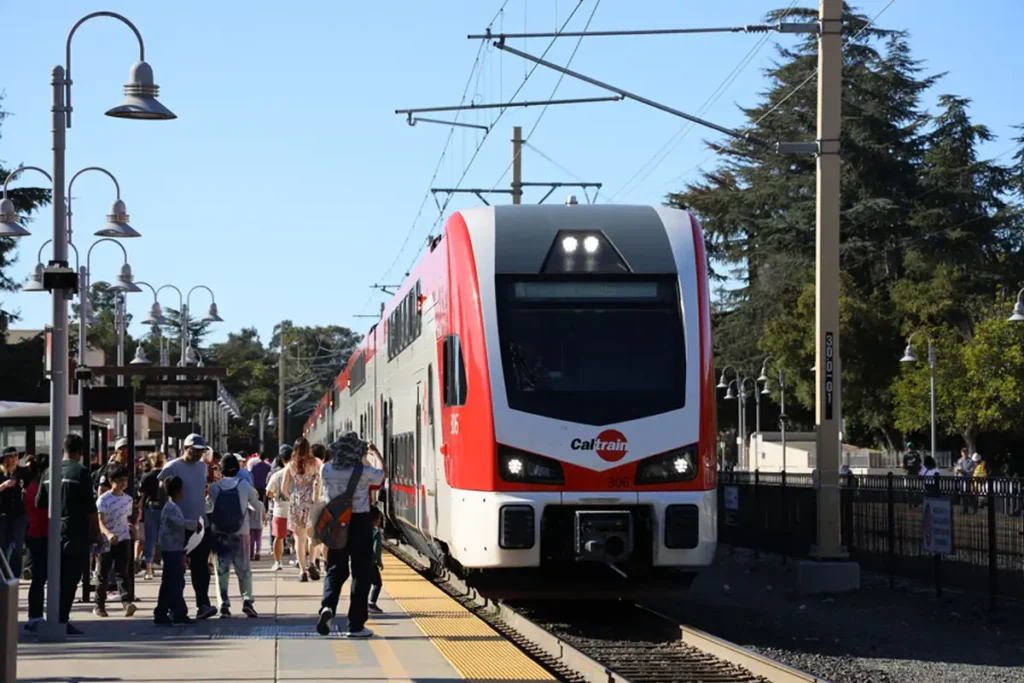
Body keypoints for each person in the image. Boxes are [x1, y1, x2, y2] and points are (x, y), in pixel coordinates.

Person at [316, 432, 385, 638]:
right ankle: (355, 625)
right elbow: (381, 476)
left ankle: (327, 607)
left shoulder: (325, 469)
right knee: (360, 573)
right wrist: (374, 455)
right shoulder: (363, 471)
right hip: (359, 522)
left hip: (335, 523)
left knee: (335, 569)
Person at [35, 433, 99, 635]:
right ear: (80, 453)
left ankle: (48, 615)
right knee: (71, 578)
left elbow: (39, 503)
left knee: (53, 575)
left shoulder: (48, 472)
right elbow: (90, 507)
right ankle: (61, 618)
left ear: (63, 449)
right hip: (76, 530)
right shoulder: (81, 472)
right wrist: (96, 533)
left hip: (53, 530)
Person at [158, 433, 218, 620]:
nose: (199, 454)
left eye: (201, 451)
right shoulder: (172, 467)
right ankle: (173, 607)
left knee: (200, 567)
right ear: (185, 448)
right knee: (176, 571)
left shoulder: (202, 467)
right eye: (195, 450)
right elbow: (161, 489)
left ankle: (203, 604)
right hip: (179, 526)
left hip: (200, 525)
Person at [208, 454, 260, 618]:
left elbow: (208, 507)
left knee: (221, 571)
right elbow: (256, 505)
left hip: (220, 533)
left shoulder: (215, 487)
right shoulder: (244, 485)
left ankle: (223, 604)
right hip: (241, 532)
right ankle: (247, 601)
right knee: (244, 570)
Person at [94, 465, 137, 617]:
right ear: (111, 481)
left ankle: (126, 602)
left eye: (125, 480)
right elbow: (100, 521)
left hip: (123, 538)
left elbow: (126, 518)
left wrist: (132, 529)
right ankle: (99, 604)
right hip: (107, 540)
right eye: (119, 480)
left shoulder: (128, 500)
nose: (123, 484)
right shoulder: (103, 500)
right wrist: (108, 534)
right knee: (103, 573)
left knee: (122, 572)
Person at [154, 475, 194, 625]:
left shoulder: (171, 506)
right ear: (179, 491)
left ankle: (163, 611)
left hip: (173, 547)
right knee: (175, 581)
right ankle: (177, 611)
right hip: (172, 548)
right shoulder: (171, 507)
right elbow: (179, 523)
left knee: (170, 581)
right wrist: (194, 524)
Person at [283, 438, 320, 582]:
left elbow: (284, 490)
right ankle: (312, 562)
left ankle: (302, 571)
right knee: (313, 537)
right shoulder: (315, 463)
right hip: (312, 502)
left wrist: (292, 495)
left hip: (297, 503)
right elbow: (321, 481)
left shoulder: (290, 466)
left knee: (299, 539)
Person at [23, 454, 49, 632]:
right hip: (43, 535)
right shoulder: (41, 489)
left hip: (34, 533)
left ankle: (35, 615)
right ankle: (35, 616)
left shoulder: (31, 487)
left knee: (39, 579)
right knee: (41, 578)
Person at [0, 446, 30, 580]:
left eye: (15, 456)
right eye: (10, 457)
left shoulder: (24, 472)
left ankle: (15, 574)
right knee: (3, 544)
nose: (13, 460)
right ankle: (3, 574)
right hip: (3, 514)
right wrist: (4, 485)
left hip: (20, 514)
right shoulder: (1, 474)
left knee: (17, 543)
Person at [138, 452, 168, 581]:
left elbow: (142, 496)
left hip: (150, 508)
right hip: (165, 508)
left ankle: (149, 569)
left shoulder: (147, 476)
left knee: (150, 539)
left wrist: (139, 510)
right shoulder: (167, 476)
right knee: (165, 538)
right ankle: (167, 566)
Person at [266, 449, 291, 572]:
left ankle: (277, 562)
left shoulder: (277, 474)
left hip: (280, 510)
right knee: (299, 537)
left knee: (279, 537)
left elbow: (268, 493)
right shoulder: (299, 473)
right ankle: (299, 560)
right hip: (295, 510)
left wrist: (276, 495)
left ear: (282, 460)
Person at [368, 506, 384, 615]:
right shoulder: (376, 532)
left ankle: (361, 603)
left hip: (360, 561)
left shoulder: (362, 530)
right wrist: (378, 561)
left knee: (364, 583)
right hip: (371, 563)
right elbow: (376, 549)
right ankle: (372, 603)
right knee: (377, 583)